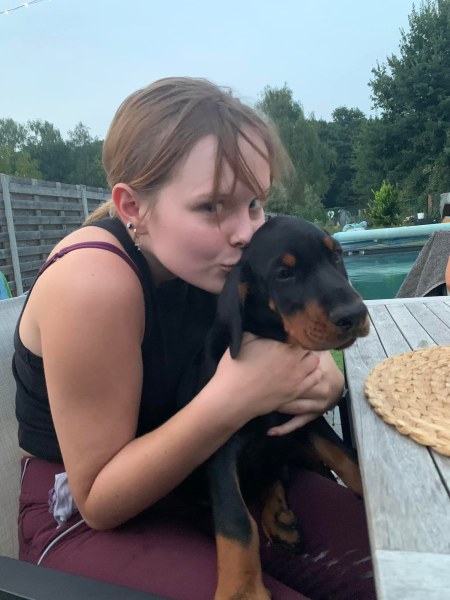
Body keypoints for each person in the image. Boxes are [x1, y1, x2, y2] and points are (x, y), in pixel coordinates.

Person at [14, 77, 375, 600]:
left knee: (401, 564)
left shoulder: (216, 263)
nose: (246, 232)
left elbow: (290, 349)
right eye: (212, 207)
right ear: (132, 208)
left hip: (223, 477)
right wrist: (234, 398)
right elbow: (99, 501)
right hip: (87, 518)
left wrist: (320, 379)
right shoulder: (92, 283)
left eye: (255, 203)